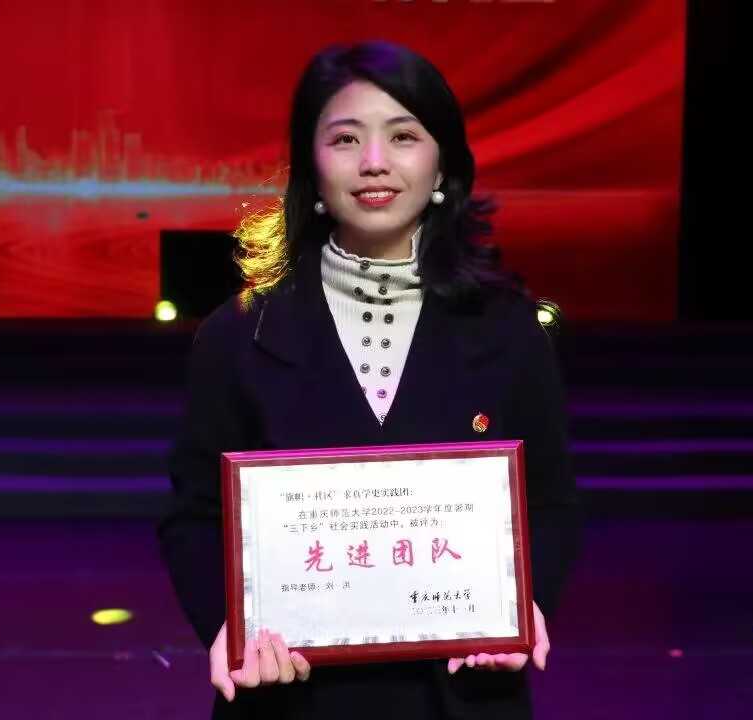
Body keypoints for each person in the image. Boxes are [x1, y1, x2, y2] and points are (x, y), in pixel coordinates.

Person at [158, 40, 581, 720]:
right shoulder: (238, 334)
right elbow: (194, 515)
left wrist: (522, 604)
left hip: (463, 698)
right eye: (345, 138)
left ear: (442, 161)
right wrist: (229, 626)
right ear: (310, 163)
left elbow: (552, 502)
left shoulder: (507, 327)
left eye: (403, 136)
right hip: (289, 698)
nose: (375, 162)